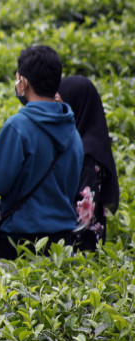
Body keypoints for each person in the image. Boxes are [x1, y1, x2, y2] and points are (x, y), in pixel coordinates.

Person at [0, 45, 83, 265]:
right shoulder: (72, 130)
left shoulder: (18, 127)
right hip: (61, 245)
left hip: (17, 244)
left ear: (23, 82)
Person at [57, 76, 118, 247]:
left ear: (76, 105)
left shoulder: (88, 154)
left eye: (60, 103)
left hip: (78, 252)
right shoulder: (77, 143)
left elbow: (82, 216)